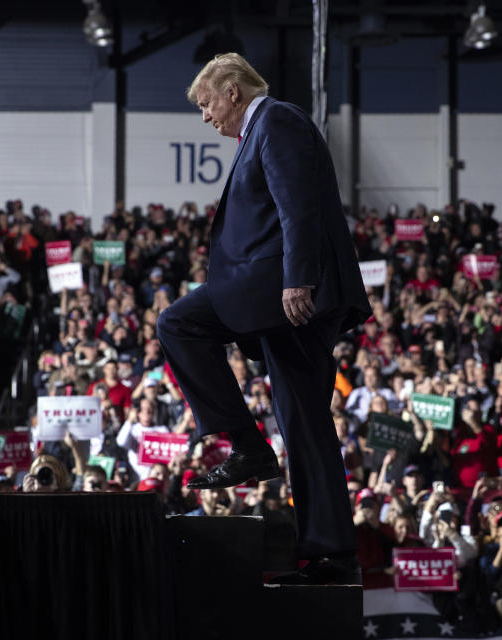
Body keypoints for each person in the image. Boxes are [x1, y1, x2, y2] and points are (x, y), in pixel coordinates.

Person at [157, 53, 370, 585]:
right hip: (273, 296)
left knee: (179, 324)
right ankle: (329, 552)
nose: (205, 118)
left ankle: (250, 449)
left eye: (206, 104)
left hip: (284, 294)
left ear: (232, 90)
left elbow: (299, 206)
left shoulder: (275, 119)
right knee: (304, 421)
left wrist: (298, 279)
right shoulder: (266, 128)